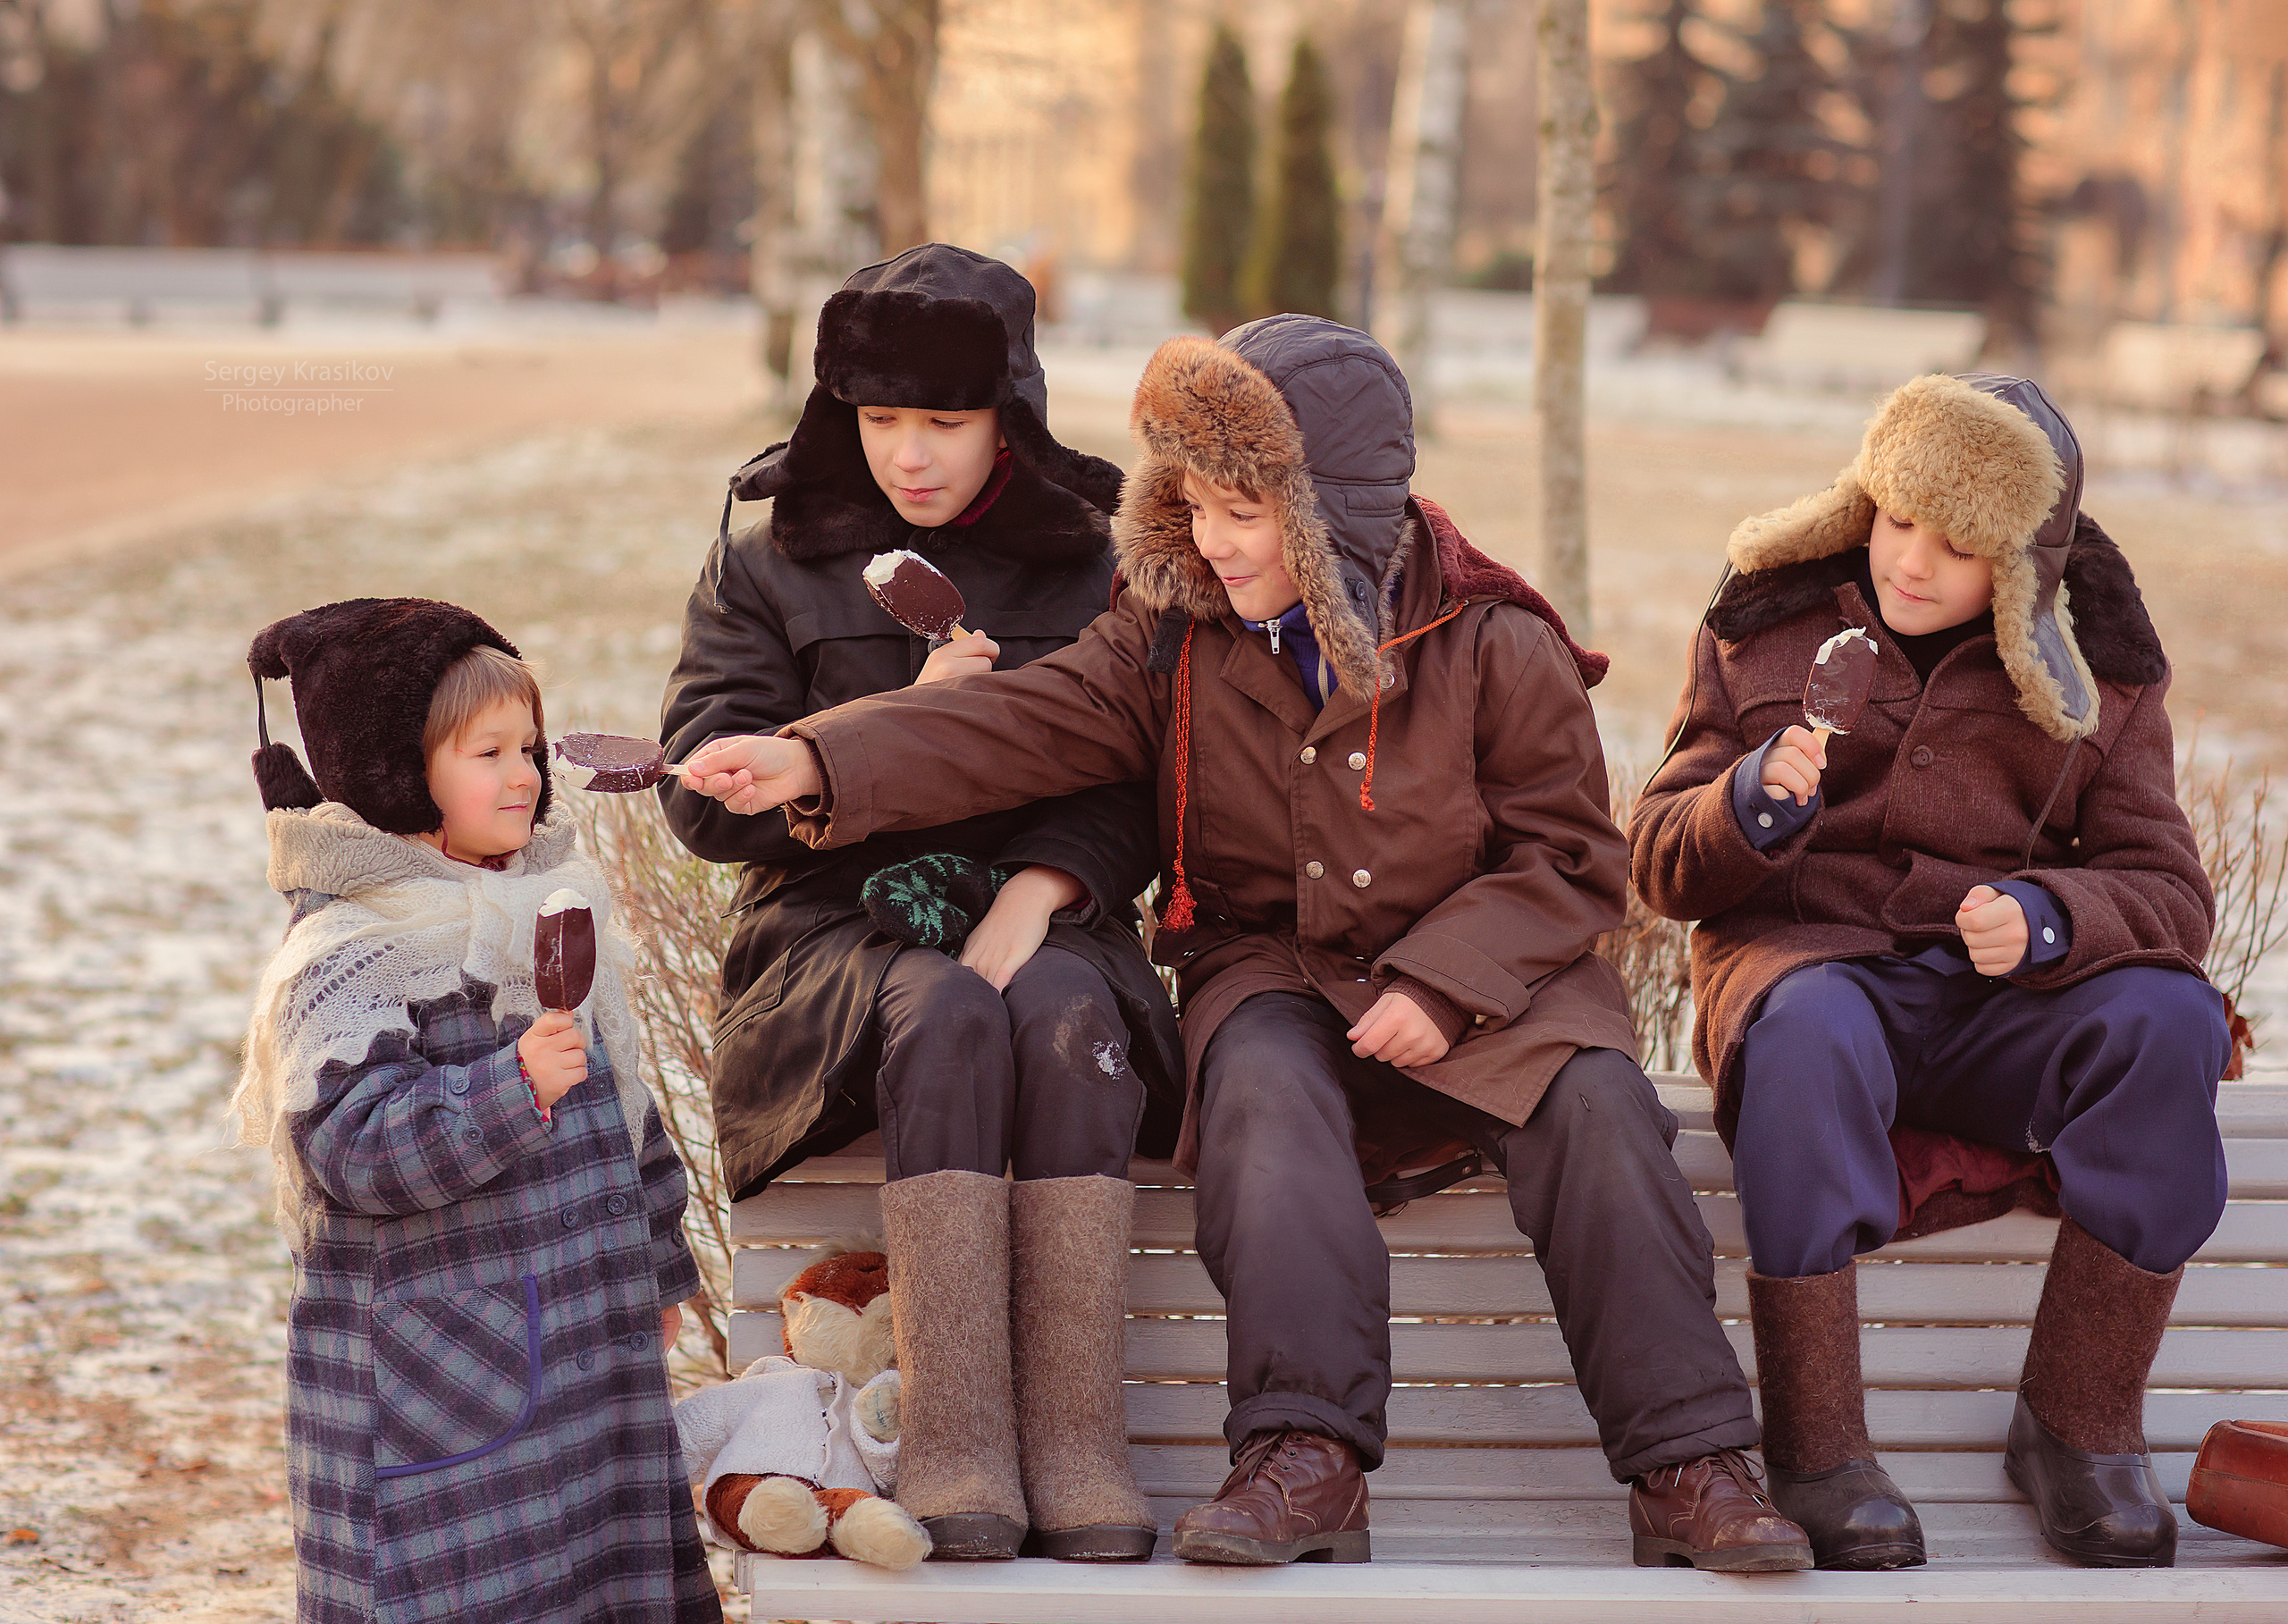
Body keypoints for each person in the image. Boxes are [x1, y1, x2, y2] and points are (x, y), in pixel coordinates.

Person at [676, 317, 1815, 1573]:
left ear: (1336, 517)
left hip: (1498, 983)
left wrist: (1444, 984)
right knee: (1263, 1098)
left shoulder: (1495, 640)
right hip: (1273, 968)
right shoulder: (1172, 631)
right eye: (1194, 506)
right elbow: (1023, 719)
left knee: (1599, 1107)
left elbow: (1572, 859)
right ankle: (1302, 1456)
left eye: (1243, 512)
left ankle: (1691, 1463)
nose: (1211, 541)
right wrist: (816, 757)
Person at [1629, 373, 2231, 1569]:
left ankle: (2078, 1424)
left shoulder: (2098, 666)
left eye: (1958, 547)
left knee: (2170, 1017)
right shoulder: (1765, 621)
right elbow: (1655, 859)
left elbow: (2169, 891)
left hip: (1999, 1004)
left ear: (2020, 564)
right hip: (1813, 973)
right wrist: (1745, 804)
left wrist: (2050, 916)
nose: (1911, 562)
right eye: (1898, 519)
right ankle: (1820, 1449)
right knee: (1807, 1029)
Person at [657, 243, 1182, 1563]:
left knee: (1061, 1012)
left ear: (1010, 408)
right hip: (835, 932)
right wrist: (900, 718)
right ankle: (955, 1435)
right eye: (880, 416)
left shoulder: (1096, 558)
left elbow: (1147, 778)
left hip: (1049, 903)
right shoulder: (770, 559)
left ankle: (1076, 1438)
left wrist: (1042, 890)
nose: (909, 453)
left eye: (944, 420)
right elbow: (705, 803)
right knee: (944, 1010)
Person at [230, 599, 719, 1622]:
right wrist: (511, 1085)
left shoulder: (545, 901)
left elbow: (627, 1114)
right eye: (487, 752)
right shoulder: (354, 950)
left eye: (528, 748)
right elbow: (351, 1147)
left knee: (599, 1574)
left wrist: (661, 1265)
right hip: (445, 1378)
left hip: (584, 1340)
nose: (523, 773)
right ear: (398, 773)